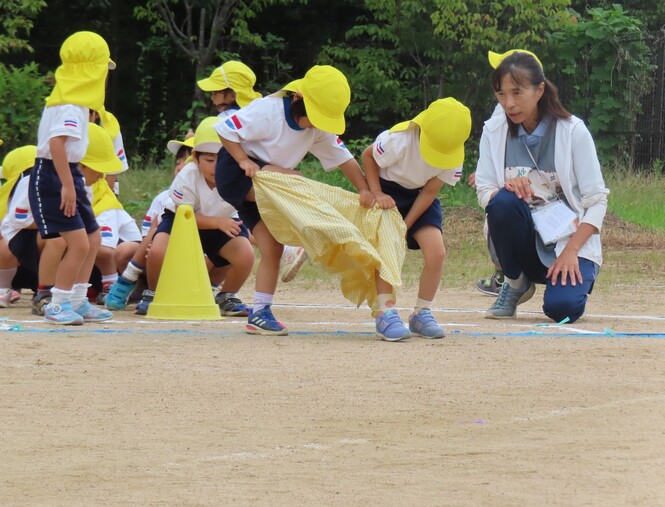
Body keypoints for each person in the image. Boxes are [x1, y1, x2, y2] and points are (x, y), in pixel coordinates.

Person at [214, 65, 374, 335]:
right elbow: (225, 129)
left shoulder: (317, 127)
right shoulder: (269, 110)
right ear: (298, 99)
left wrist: (364, 189)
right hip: (236, 172)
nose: (314, 124)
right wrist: (243, 160)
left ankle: (260, 313)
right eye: (312, 116)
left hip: (266, 180)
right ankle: (300, 237)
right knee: (292, 183)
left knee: (272, 247)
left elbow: (343, 157)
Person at [475, 50, 609, 322]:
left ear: (539, 90)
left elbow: (597, 201)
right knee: (502, 201)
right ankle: (515, 283)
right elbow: (484, 190)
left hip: (567, 241)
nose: (509, 103)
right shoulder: (493, 131)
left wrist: (572, 252)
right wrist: (507, 187)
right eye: (501, 95)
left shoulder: (573, 132)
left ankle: (575, 279)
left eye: (517, 92)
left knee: (563, 310)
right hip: (524, 242)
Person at [362, 98, 472, 340]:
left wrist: (406, 224)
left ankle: (421, 313)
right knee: (388, 249)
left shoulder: (454, 154)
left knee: (437, 252)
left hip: (420, 196)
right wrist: (377, 192)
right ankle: (385, 312)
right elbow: (368, 156)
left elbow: (430, 191)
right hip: (387, 190)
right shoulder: (399, 139)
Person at [28, 31, 117, 325]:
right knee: (78, 243)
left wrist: (71, 181)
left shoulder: (77, 104)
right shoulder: (69, 104)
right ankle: (57, 303)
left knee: (92, 237)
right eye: (103, 70)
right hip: (54, 175)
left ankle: (78, 301)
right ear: (91, 71)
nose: (106, 77)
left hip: (68, 173)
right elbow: (56, 145)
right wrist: (67, 184)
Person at [142, 116, 255, 316]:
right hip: (181, 221)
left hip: (222, 224)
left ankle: (226, 295)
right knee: (158, 251)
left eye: (224, 160)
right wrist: (217, 222)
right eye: (209, 160)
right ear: (195, 157)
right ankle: (154, 292)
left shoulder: (238, 177)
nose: (216, 167)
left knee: (245, 255)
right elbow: (182, 214)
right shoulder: (188, 175)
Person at [105, 133, 195, 312]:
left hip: (191, 257)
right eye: (178, 162)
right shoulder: (163, 198)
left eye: (188, 161)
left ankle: (198, 291)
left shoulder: (215, 196)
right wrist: (151, 245)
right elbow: (150, 233)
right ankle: (142, 287)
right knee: (125, 250)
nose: (181, 167)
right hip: (159, 251)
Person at [79, 129, 141, 305]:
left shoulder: (105, 204)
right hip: (120, 265)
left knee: (98, 247)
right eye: (99, 169)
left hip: (133, 269)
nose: (101, 175)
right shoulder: (81, 187)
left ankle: (110, 286)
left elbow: (106, 252)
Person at [0, 145, 67, 308]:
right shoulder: (25, 186)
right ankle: (4, 288)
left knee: (68, 239)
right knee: (4, 245)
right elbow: (18, 221)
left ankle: (56, 290)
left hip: (44, 259)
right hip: (20, 252)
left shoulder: (64, 183)